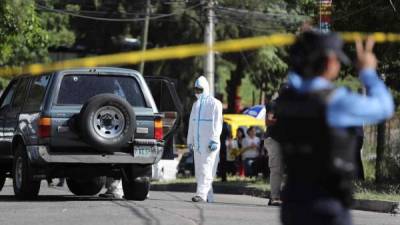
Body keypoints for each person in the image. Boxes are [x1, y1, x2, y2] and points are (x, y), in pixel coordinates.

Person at [275, 30, 394, 225]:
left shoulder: (286, 102)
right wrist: (368, 72)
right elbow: (384, 108)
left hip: (293, 205)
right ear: (330, 61)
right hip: (326, 207)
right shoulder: (335, 103)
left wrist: (304, 44)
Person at [187, 76, 223, 203]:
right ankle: (209, 196)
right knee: (199, 170)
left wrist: (214, 139)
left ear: (206, 89)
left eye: (200, 89)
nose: (197, 92)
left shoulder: (215, 103)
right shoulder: (195, 105)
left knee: (207, 169)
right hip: (197, 144)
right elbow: (191, 123)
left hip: (209, 143)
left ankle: (201, 194)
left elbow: (218, 123)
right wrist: (190, 141)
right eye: (196, 89)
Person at [264, 90, 284, 206]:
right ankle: (274, 197)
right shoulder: (273, 104)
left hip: (285, 140)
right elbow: (268, 121)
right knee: (277, 168)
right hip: (273, 139)